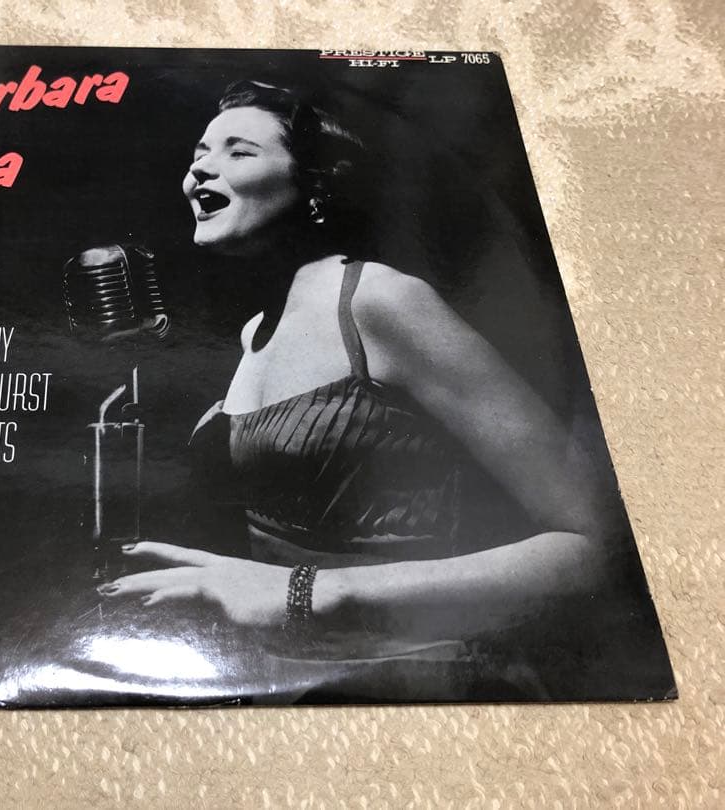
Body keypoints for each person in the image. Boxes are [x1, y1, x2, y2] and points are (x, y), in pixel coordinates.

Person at [96, 80, 614, 691]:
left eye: (239, 151)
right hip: (282, 678)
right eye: (198, 155)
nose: (200, 170)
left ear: (319, 182)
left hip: (414, 680)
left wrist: (311, 591)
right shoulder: (254, 331)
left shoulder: (382, 302)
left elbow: (592, 541)